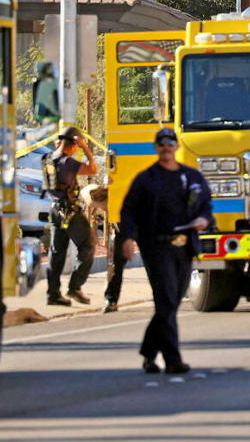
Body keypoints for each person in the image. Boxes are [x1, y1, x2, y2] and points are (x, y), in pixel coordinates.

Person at [118, 128, 213, 375]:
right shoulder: (146, 179)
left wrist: (203, 219)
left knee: (170, 303)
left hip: (184, 246)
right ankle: (173, 360)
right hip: (156, 246)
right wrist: (127, 238)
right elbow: (128, 211)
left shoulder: (190, 177)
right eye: (162, 144)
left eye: (170, 143)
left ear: (176, 147)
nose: (166, 147)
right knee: (167, 299)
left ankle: (149, 354)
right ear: (156, 148)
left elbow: (205, 206)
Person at [45, 127, 97, 307]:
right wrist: (86, 149)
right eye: (77, 145)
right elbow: (93, 170)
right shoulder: (68, 162)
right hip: (70, 211)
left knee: (57, 253)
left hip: (55, 210)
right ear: (74, 144)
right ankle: (75, 287)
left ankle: (53, 294)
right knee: (88, 244)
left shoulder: (48, 158)